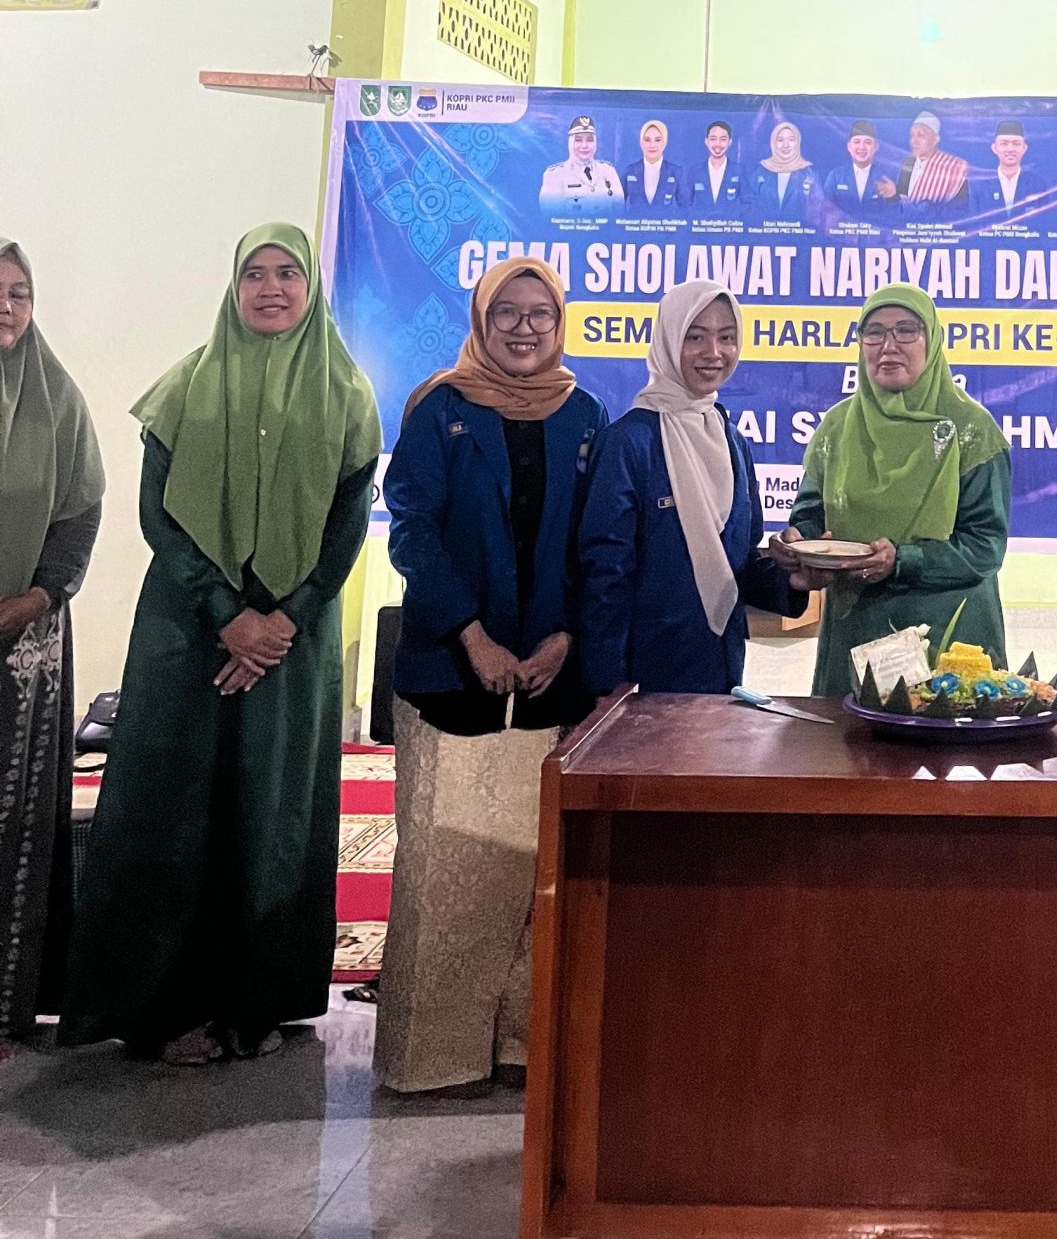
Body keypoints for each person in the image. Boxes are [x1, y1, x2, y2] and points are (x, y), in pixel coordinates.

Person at [62, 225, 381, 1066]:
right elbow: (158, 514)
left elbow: (347, 525)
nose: (271, 288)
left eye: (288, 273)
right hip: (186, 632)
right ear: (233, 288)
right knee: (173, 806)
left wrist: (284, 619)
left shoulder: (348, 395)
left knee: (271, 814)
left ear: (311, 287)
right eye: (255, 274)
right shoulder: (186, 387)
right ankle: (162, 1010)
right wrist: (226, 613)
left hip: (293, 642)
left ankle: (256, 1005)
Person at [374, 258, 606, 1096]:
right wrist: (471, 636)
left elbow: (596, 544)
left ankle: (520, 1047)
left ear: (560, 322)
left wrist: (565, 640)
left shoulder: (585, 415)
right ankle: (432, 1059)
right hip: (450, 669)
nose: (524, 328)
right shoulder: (440, 406)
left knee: (534, 870)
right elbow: (412, 531)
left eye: (541, 313)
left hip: (550, 678)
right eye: (506, 311)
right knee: (443, 865)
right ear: (480, 318)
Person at [775, 287, 1009, 698]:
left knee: (943, 735)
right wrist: (800, 543)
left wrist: (902, 560)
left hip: (949, 640)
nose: (889, 345)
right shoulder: (837, 428)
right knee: (849, 738)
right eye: (874, 332)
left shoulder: (972, 430)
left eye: (906, 330)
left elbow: (984, 546)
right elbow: (811, 514)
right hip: (857, 629)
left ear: (931, 340)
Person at [578, 282, 803, 696]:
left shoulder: (732, 441)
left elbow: (739, 565)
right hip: (641, 680)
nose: (713, 352)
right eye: (695, 337)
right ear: (668, 340)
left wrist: (794, 579)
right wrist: (606, 692)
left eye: (726, 337)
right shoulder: (628, 443)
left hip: (721, 674)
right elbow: (605, 579)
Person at [0, 239, 104, 1053]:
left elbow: (79, 514)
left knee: (13, 827)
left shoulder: (57, 399)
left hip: (22, 641)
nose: (6, 307)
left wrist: (35, 598)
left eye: (19, 293)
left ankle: (5, 1007)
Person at [895, 111, 970, 216]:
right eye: (911, 135)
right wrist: (892, 195)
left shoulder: (953, 168)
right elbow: (900, 202)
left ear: (935, 140)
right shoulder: (907, 163)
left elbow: (960, 210)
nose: (913, 141)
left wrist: (931, 209)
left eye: (920, 135)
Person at [539, 116, 623, 208]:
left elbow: (619, 208)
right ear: (570, 143)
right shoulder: (555, 175)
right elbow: (551, 213)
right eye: (578, 140)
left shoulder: (608, 171)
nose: (584, 145)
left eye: (590, 140)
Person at [822, 121, 892, 227]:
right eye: (857, 142)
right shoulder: (836, 176)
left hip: (875, 235)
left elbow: (894, 217)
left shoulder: (886, 178)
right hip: (841, 234)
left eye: (868, 142)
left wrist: (893, 196)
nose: (862, 147)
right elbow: (824, 211)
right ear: (849, 147)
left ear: (876, 147)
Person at [752, 118, 817, 219]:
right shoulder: (761, 170)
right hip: (765, 227)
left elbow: (817, 207)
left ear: (798, 142)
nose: (786, 145)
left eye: (791, 139)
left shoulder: (809, 171)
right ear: (773, 143)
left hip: (800, 228)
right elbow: (749, 203)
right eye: (780, 140)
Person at [620, 120, 684, 213]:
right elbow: (618, 205)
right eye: (647, 140)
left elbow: (685, 207)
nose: (652, 145)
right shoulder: (629, 171)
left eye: (658, 140)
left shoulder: (676, 172)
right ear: (641, 143)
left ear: (664, 142)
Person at [986, 119, 1037, 221]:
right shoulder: (980, 185)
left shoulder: (1036, 183)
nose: (1010, 149)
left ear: (1024, 148)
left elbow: (1042, 221)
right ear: (994, 148)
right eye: (1004, 144)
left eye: (1016, 144)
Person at [689, 118, 743, 213]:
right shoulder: (695, 171)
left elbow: (748, 203)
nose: (718, 144)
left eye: (723, 139)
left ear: (730, 142)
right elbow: (685, 204)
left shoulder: (739, 170)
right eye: (713, 139)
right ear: (706, 141)